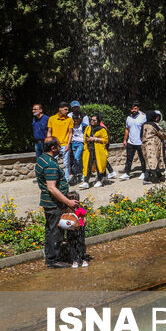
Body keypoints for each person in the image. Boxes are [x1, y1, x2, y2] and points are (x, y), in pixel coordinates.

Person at [36, 137, 84, 268]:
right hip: (53, 203)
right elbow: (51, 188)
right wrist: (68, 202)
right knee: (55, 231)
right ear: (52, 148)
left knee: (50, 230)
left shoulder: (42, 159)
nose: (60, 148)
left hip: (49, 202)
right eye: (58, 146)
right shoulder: (50, 164)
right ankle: (53, 261)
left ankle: (51, 256)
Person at [79, 115, 109, 189]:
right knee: (87, 165)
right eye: (91, 119)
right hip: (89, 149)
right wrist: (86, 140)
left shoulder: (102, 129)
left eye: (94, 120)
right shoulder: (88, 128)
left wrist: (95, 139)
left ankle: (99, 180)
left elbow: (105, 140)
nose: (92, 121)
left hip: (98, 150)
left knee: (99, 165)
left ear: (98, 121)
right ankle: (86, 182)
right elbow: (84, 137)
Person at [47, 102, 74, 181]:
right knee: (53, 163)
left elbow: (70, 133)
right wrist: (49, 142)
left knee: (66, 164)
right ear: (60, 109)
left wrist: (68, 144)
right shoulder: (52, 118)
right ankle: (54, 179)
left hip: (64, 144)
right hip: (54, 145)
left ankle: (66, 180)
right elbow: (49, 131)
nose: (67, 111)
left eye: (67, 110)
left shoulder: (69, 119)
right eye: (65, 109)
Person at [120, 103, 147, 180]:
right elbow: (127, 129)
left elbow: (146, 128)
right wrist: (125, 140)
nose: (133, 110)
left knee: (142, 158)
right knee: (129, 158)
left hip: (140, 142)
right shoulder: (129, 118)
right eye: (132, 109)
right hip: (130, 142)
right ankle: (127, 173)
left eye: (135, 109)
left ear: (138, 108)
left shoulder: (143, 117)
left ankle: (144, 172)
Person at [141, 111, 166, 184]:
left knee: (148, 161)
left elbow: (140, 135)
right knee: (153, 161)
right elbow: (162, 134)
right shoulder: (154, 125)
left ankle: (158, 176)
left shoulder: (144, 125)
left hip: (144, 145)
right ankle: (148, 179)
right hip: (153, 146)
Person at [67, 101, 88, 184]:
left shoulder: (84, 117)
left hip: (81, 142)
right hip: (73, 142)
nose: (76, 108)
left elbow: (86, 128)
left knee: (76, 158)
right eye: (74, 107)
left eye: (77, 107)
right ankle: (80, 173)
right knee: (76, 159)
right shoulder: (69, 116)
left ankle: (77, 174)